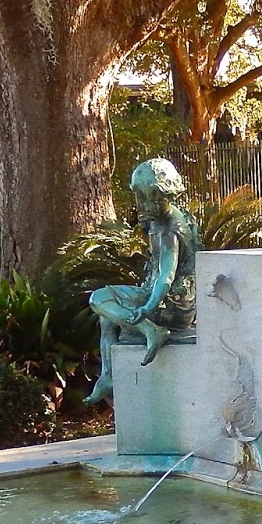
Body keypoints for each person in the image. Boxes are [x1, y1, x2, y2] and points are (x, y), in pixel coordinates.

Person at [83, 158, 200, 406]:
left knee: (99, 299)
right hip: (166, 297)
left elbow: (166, 276)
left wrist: (147, 309)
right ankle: (109, 375)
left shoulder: (168, 230)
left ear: (166, 196)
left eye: (151, 200)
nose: (144, 206)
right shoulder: (162, 220)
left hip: (171, 305)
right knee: (108, 317)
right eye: (141, 199)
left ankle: (151, 330)